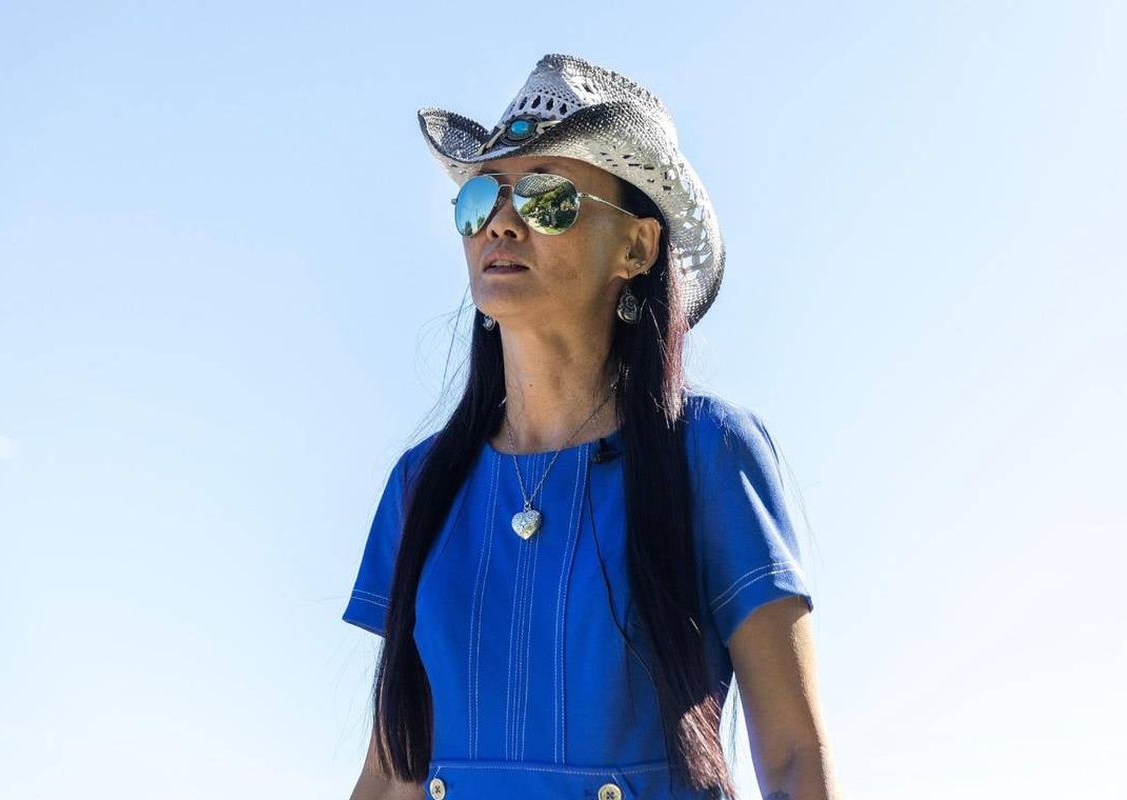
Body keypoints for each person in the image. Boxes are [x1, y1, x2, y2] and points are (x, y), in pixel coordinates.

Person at [342, 53, 841, 800]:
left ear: (637, 247)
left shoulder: (709, 455)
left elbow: (796, 756)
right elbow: (394, 771)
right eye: (482, 198)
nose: (502, 222)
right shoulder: (420, 485)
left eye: (548, 198)